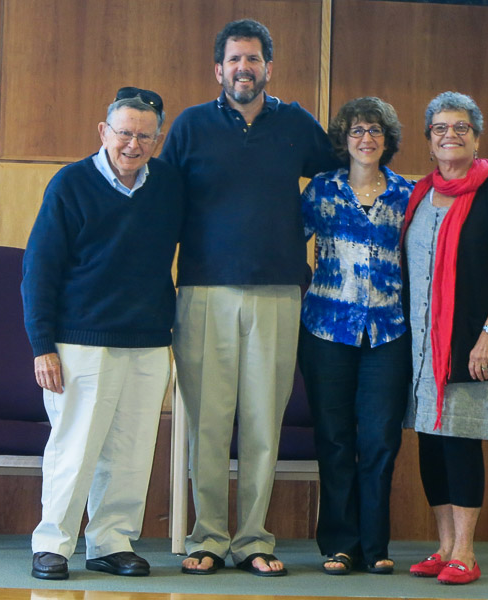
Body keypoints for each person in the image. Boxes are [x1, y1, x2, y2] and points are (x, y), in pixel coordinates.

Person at [160, 19, 339, 576]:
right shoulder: (189, 127)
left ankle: (254, 539)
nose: (244, 68)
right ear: (219, 69)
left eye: (254, 59)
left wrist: (297, 231)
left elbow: (336, 182)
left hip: (278, 294)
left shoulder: (296, 125)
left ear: (269, 67)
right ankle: (208, 537)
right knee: (208, 425)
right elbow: (161, 202)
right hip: (204, 292)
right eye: (234, 59)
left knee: (265, 423)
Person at [22, 88, 182, 580]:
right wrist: (42, 346)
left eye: (145, 136)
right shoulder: (70, 184)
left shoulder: (170, 186)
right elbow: (39, 269)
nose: (133, 144)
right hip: (80, 339)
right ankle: (52, 544)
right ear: (103, 132)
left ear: (158, 140)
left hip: (149, 339)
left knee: (131, 450)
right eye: (124, 132)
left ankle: (111, 543)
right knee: (75, 447)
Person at [401, 91, 488, 585]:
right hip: (419, 351)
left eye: (460, 127)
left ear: (476, 138)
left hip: (472, 347)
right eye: (439, 128)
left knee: (459, 444)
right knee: (430, 446)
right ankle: (444, 545)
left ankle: (467, 552)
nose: (449, 135)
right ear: (429, 141)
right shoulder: (417, 194)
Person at [297, 97, 413, 576]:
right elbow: (284, 244)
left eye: (376, 132)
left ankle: (375, 545)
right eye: (357, 131)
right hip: (326, 329)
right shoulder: (321, 190)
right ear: (343, 140)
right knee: (336, 438)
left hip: (388, 333)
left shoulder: (409, 195)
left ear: (387, 142)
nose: (366, 139)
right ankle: (340, 545)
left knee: (382, 439)